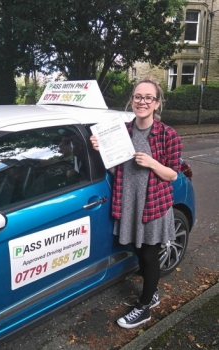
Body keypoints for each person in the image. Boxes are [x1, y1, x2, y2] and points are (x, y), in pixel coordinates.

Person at [90, 76, 182, 329]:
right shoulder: (123, 131)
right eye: (138, 97)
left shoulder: (167, 135)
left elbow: (173, 174)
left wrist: (152, 162)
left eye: (148, 98)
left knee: (150, 255)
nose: (142, 101)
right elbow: (114, 171)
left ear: (157, 103)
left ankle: (144, 308)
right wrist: (101, 151)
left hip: (152, 204)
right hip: (128, 202)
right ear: (132, 100)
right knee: (138, 250)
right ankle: (151, 293)